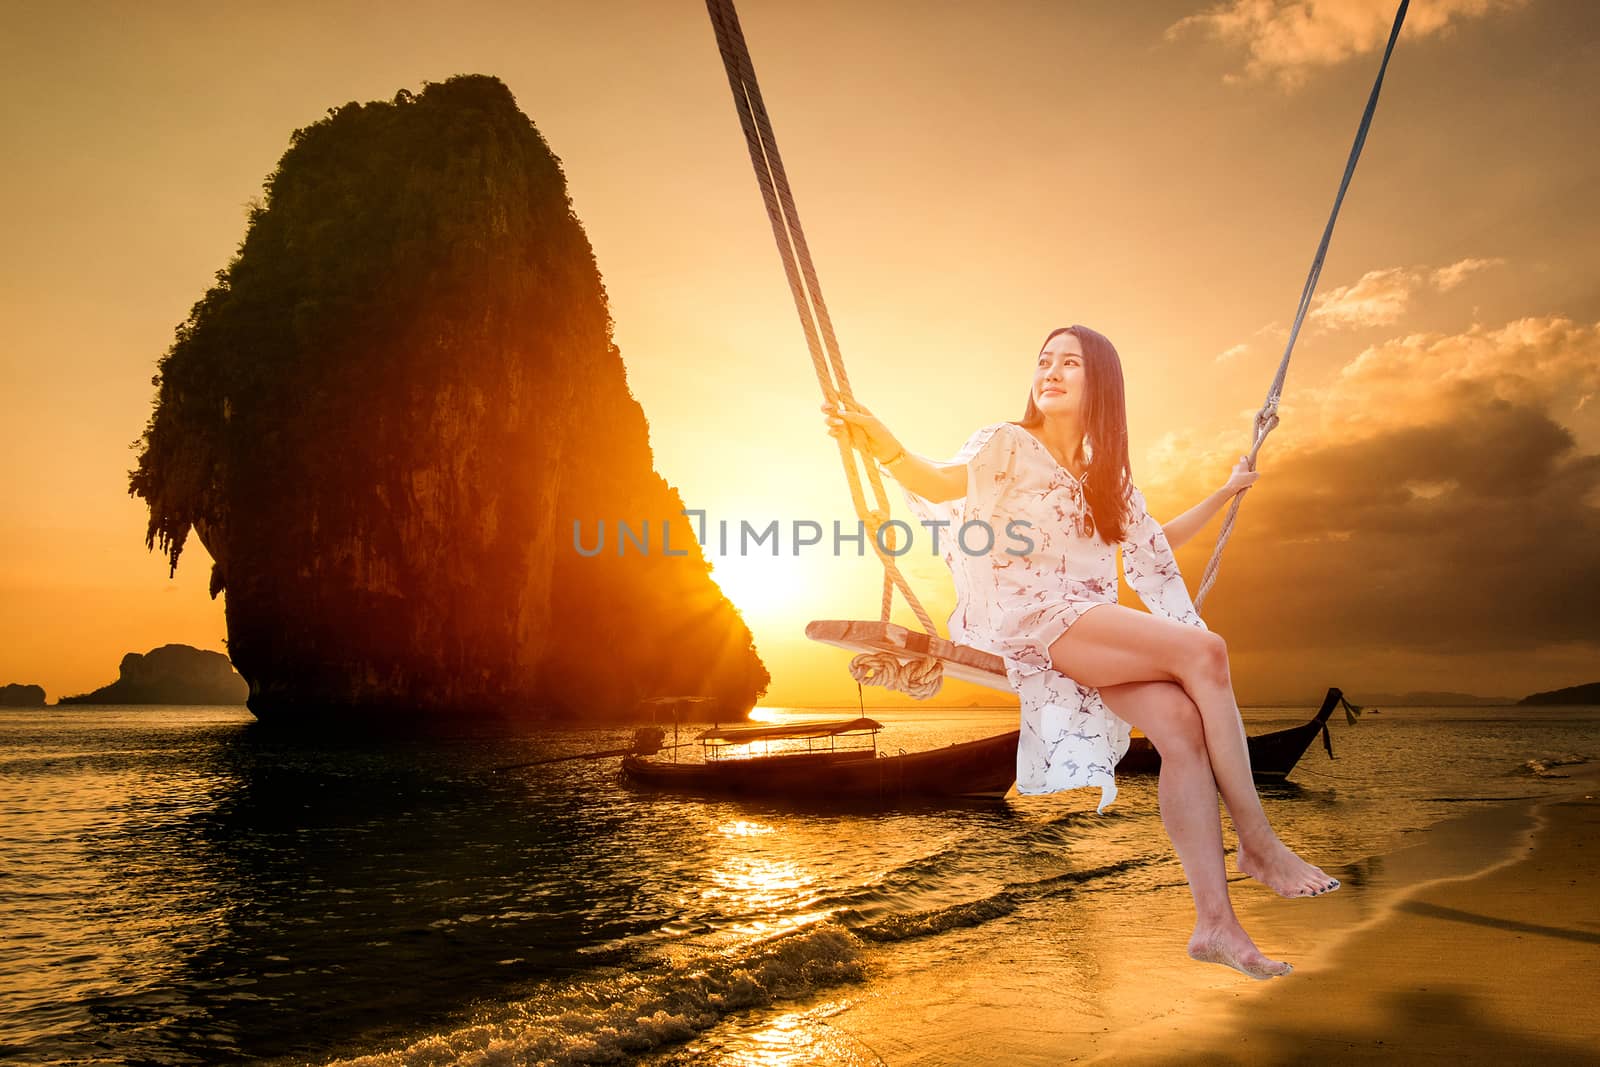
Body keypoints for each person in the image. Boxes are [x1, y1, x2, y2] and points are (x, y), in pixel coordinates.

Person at [822, 324, 1338, 980]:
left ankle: (1215, 922)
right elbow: (944, 481)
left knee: (1182, 725)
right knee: (1207, 653)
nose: (1051, 371)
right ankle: (1258, 842)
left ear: (1101, 383)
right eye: (1044, 360)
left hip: (1086, 629)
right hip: (1032, 621)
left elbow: (1155, 541)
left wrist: (1229, 490)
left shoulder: (1104, 473)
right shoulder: (1008, 443)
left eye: (1070, 361)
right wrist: (887, 445)